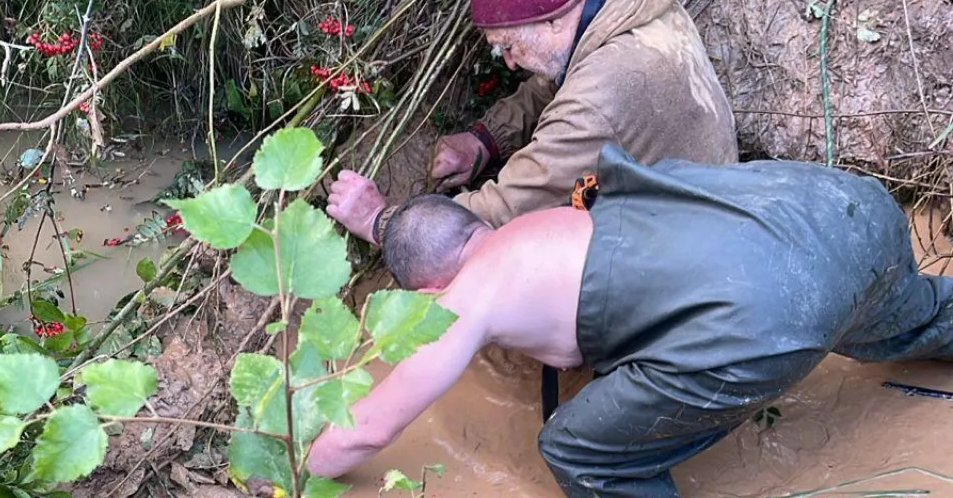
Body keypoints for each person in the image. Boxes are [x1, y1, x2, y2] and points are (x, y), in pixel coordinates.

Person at [308, 142, 953, 497]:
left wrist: (284, 472)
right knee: (910, 319)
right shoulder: (543, 225)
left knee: (577, 450)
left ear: (432, 290)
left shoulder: (463, 298)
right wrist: (378, 222)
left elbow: (364, 432)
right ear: (477, 227)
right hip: (843, 210)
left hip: (773, 314)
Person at [326, 0, 737, 246]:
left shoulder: (598, 101)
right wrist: (483, 141)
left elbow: (503, 210)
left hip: (687, 253)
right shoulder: (624, 1)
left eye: (508, 45)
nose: (507, 61)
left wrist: (381, 222)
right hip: (721, 201)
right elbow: (558, 82)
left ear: (554, 20)